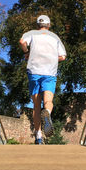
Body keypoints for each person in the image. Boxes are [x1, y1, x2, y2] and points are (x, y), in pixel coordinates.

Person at [19, 15, 66, 144]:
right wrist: (50, 58)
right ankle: (48, 113)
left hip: (34, 71)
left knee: (36, 105)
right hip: (49, 73)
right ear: (49, 25)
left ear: (37, 25)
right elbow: (63, 56)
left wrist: (26, 53)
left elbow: (22, 42)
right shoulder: (54, 37)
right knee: (48, 101)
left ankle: (38, 135)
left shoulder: (31, 33)